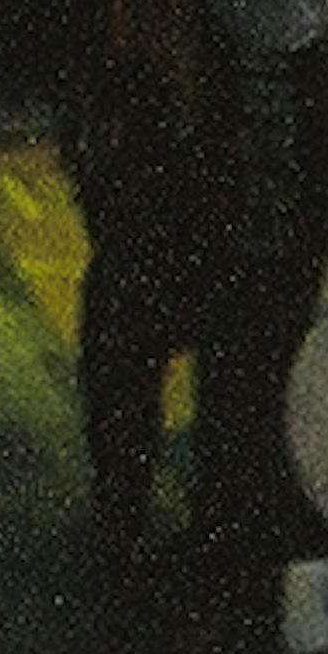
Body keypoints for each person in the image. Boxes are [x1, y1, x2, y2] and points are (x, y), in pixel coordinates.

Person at [69, 60, 207, 551]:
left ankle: (120, 508)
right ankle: (126, 506)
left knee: (117, 405)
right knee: (132, 407)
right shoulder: (169, 162)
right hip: (147, 295)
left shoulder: (120, 168)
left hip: (126, 295)